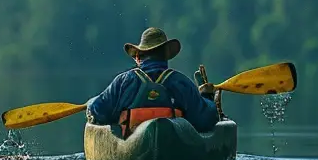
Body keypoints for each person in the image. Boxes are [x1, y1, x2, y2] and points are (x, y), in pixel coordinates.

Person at [87, 27, 219, 137]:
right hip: (175, 155)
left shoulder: (123, 82)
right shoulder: (181, 82)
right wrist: (207, 97)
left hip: (132, 155)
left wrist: (91, 103)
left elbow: (98, 112)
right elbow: (205, 120)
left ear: (138, 57)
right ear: (166, 56)